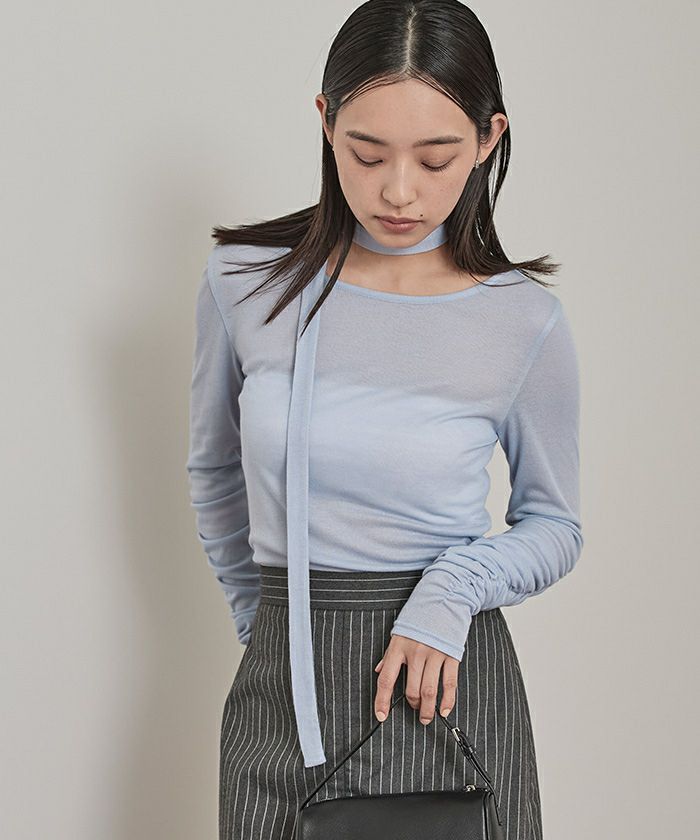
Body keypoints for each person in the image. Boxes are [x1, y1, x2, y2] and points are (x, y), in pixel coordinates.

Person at [185, 2, 583, 838]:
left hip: (442, 680)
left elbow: (555, 524)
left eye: (436, 159)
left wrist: (454, 587)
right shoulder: (245, 283)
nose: (399, 190)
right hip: (281, 679)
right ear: (326, 123)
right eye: (366, 154)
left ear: (488, 139)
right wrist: (264, 624)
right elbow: (214, 470)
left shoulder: (521, 320)